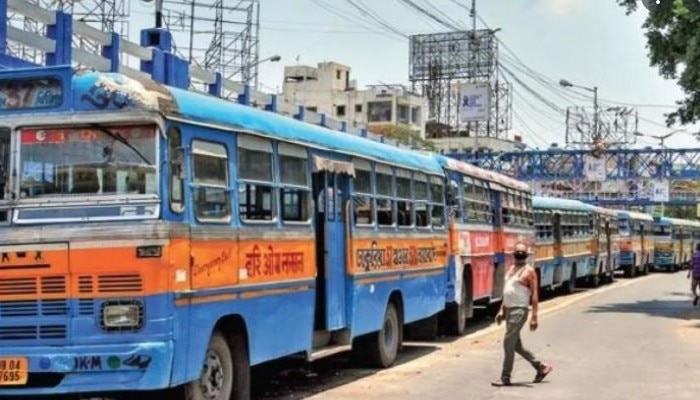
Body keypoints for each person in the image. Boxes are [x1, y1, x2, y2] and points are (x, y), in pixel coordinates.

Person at [491, 242, 553, 387]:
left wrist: (535, 316)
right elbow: (508, 292)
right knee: (516, 345)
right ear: (513, 253)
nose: (519, 254)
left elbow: (535, 293)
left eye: (522, 252)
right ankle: (541, 367)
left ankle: (505, 377)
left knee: (508, 343)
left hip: (520, 310)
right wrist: (502, 310)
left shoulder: (529, 271)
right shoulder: (511, 269)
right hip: (510, 309)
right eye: (517, 251)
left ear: (526, 255)